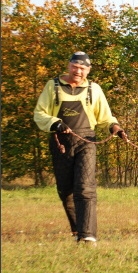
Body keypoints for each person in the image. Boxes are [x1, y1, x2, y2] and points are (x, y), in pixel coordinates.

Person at [33, 51, 128, 246]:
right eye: (75, 67)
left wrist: (115, 128)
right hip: (61, 142)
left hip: (86, 141)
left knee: (85, 188)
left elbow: (105, 117)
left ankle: (88, 235)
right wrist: (55, 123)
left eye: (82, 68)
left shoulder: (94, 89)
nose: (78, 71)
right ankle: (78, 230)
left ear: (88, 70)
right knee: (65, 190)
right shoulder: (53, 86)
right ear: (68, 66)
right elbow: (39, 113)